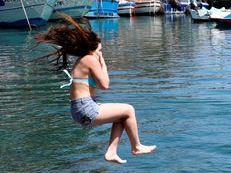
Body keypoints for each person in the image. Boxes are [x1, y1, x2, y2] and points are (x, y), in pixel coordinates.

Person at [35, 17, 156, 164]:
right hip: (85, 107)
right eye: (100, 50)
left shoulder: (83, 61)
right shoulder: (89, 59)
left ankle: (111, 152)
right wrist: (103, 62)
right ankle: (136, 146)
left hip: (80, 109)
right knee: (129, 109)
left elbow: (97, 85)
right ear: (92, 50)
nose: (101, 53)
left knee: (123, 117)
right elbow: (105, 85)